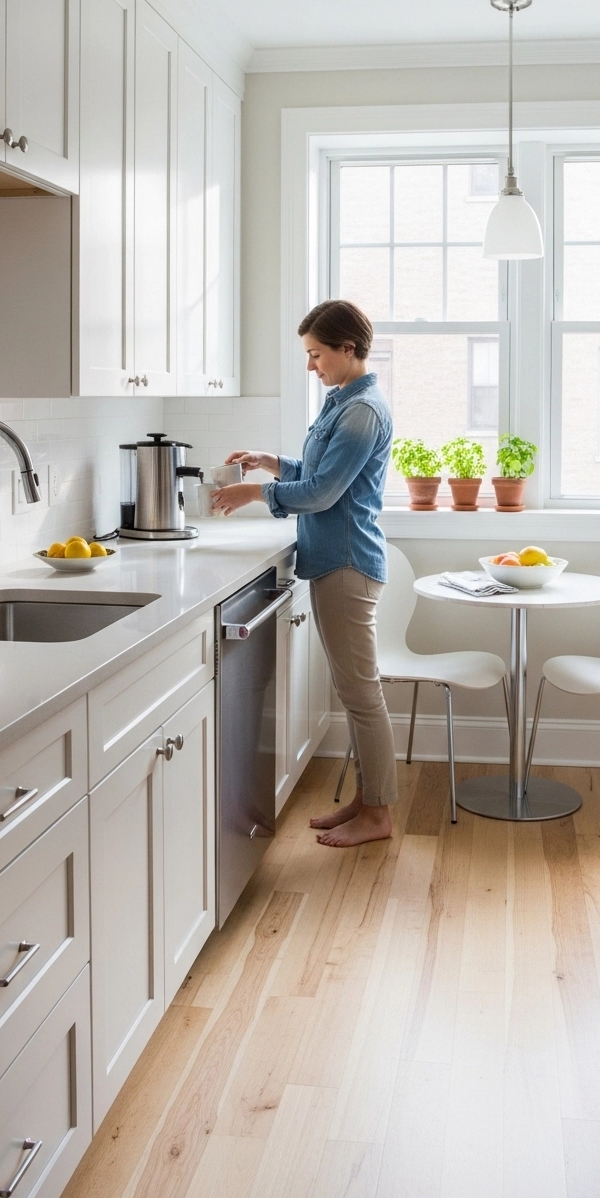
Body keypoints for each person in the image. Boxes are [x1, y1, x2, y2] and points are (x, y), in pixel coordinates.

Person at [211, 299, 397, 847]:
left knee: (362, 694)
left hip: (347, 564)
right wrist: (271, 461)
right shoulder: (345, 403)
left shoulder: (361, 412)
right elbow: (318, 471)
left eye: (317, 354)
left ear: (348, 348)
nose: (311, 365)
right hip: (337, 561)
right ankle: (366, 801)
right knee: (355, 691)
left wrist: (255, 492)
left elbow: (321, 493)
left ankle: (378, 814)